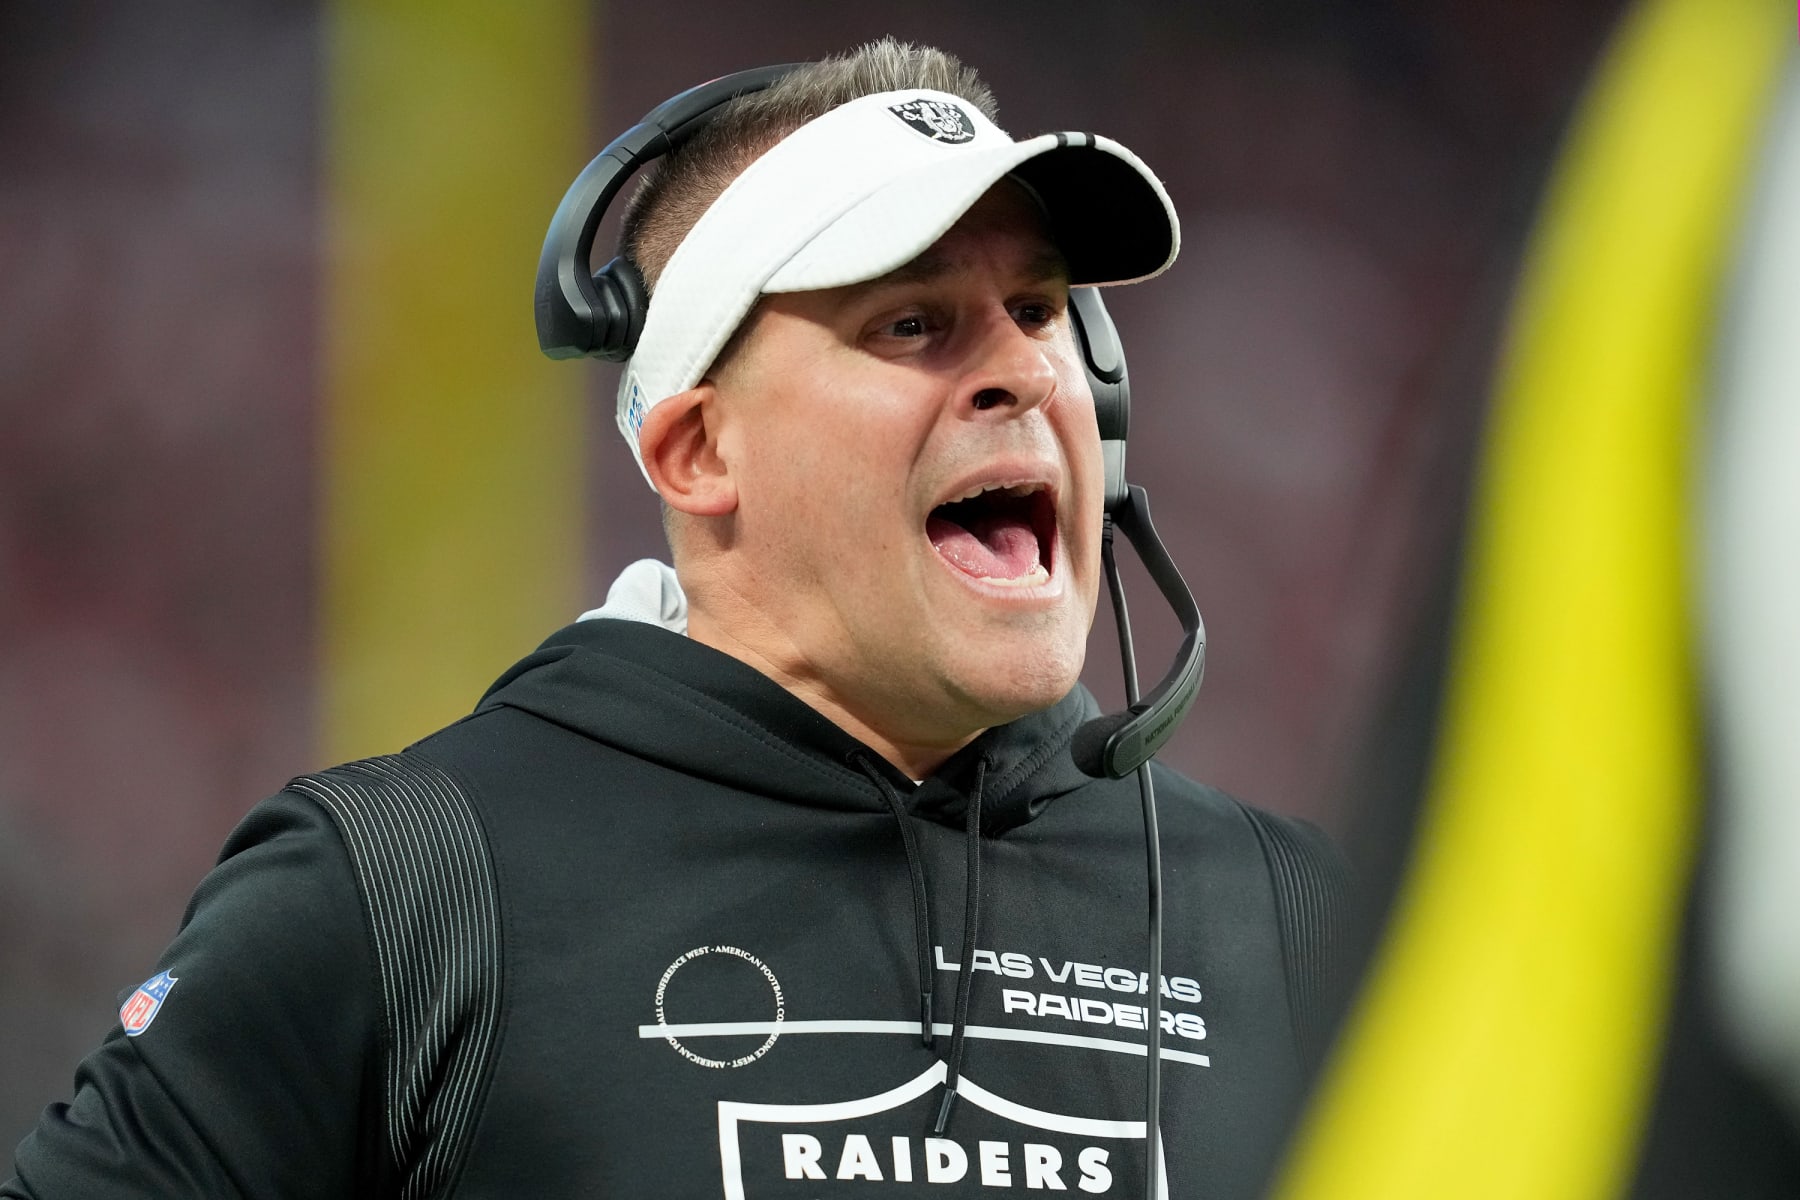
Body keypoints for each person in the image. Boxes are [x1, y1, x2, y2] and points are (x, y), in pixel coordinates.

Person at [4, 39, 1345, 1199]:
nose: (1021, 373)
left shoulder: (1287, 919)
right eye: (916, 321)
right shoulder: (402, 895)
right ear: (698, 451)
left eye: (1041, 311)